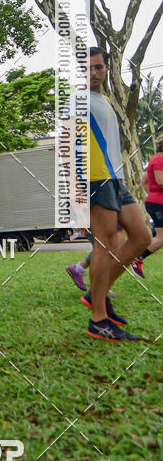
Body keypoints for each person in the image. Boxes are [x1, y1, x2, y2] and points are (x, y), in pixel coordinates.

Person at [71, 47, 151, 341]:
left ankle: (96, 295)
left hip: (115, 179)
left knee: (142, 237)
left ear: (107, 68)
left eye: (97, 67)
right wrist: (75, 192)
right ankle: (98, 320)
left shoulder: (103, 99)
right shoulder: (77, 100)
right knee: (105, 245)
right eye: (87, 68)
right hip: (94, 180)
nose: (92, 73)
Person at [131, 140, 163, 277]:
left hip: (155, 201)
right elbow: (161, 181)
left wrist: (151, 194)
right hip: (158, 203)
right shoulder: (159, 159)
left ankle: (136, 258)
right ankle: (136, 259)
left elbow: (145, 179)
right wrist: (155, 195)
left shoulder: (155, 159)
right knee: (161, 238)